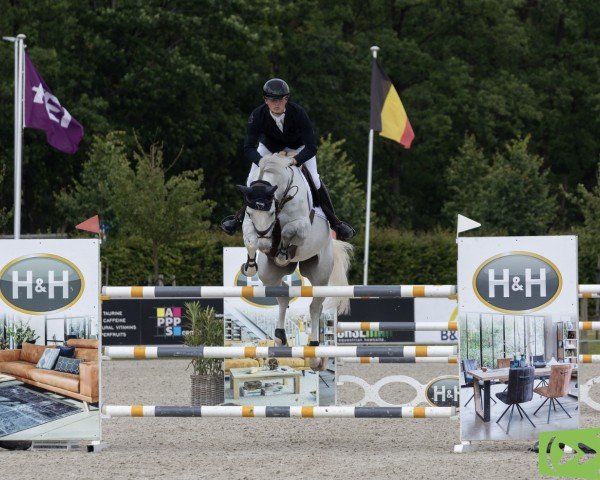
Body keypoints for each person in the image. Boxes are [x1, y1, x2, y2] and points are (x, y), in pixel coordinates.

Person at [220, 78, 355, 241]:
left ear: (286, 99)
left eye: (280, 99)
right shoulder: (257, 115)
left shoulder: (298, 113)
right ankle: (238, 219)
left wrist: (295, 160)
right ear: (266, 100)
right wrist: (262, 162)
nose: (276, 104)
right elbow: (248, 147)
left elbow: (311, 147)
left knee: (316, 180)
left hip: (297, 148)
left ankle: (336, 223)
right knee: (251, 181)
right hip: (269, 148)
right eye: (272, 100)